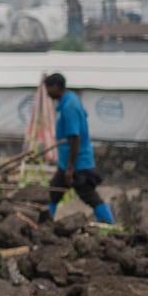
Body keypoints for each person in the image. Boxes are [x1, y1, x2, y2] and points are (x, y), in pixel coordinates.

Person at [43, 73, 115, 224]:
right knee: (54, 192)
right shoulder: (67, 101)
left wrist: (70, 169)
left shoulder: (70, 107)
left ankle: (110, 224)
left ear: (55, 87)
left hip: (77, 164)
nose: (47, 93)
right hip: (67, 163)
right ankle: (44, 224)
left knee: (89, 195)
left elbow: (75, 138)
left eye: (48, 89)